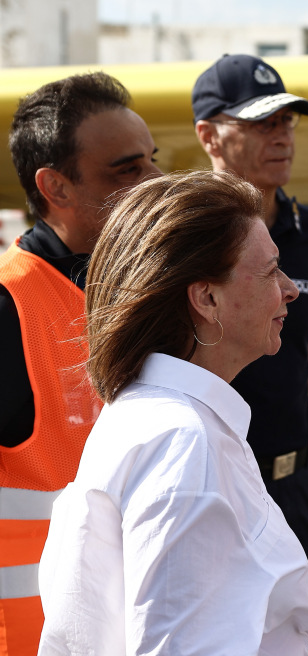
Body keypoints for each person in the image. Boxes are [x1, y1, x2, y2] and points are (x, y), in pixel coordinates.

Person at [37, 170, 308, 655]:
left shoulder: (155, 418)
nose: (290, 288)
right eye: (271, 270)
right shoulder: (184, 443)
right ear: (206, 298)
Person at [0, 71, 158, 656]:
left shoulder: (140, 291)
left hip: (128, 627)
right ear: (56, 187)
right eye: (127, 170)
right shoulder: (9, 306)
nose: (155, 181)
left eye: (152, 160)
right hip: (32, 636)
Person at [192, 53, 308, 655]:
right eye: (260, 123)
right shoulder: (184, 233)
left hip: (296, 478)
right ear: (209, 136)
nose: (281, 136)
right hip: (221, 482)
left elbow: (302, 339)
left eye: (286, 121)